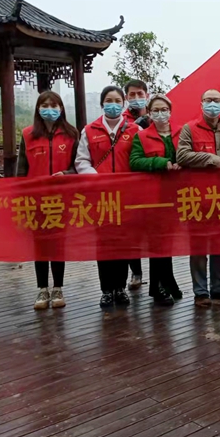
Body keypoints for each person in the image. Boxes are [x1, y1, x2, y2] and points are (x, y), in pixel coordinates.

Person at [76, 85, 140, 308]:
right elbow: (81, 161)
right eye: (109, 101)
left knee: (123, 243)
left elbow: (139, 159)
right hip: (100, 197)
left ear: (123, 104)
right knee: (103, 243)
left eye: (117, 101)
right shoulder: (89, 130)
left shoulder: (134, 130)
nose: (113, 104)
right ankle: (106, 290)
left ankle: (120, 288)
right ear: (102, 103)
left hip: (126, 197)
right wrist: (95, 178)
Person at [176, 89, 220, 307]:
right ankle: (200, 292)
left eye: (216, 100)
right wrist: (209, 158)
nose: (212, 104)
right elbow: (181, 155)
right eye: (208, 100)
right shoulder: (190, 128)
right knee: (198, 246)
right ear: (201, 103)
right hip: (196, 196)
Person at [16, 91, 79, 310]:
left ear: (61, 108)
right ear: (38, 109)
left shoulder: (72, 134)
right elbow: (21, 170)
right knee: (40, 245)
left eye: (54, 105)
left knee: (58, 244)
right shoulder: (28, 135)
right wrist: (20, 197)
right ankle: (42, 289)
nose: (49, 109)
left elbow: (77, 166)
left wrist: (67, 174)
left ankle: (58, 288)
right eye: (45, 105)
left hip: (61, 200)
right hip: (35, 201)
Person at [130, 93, 183, 306]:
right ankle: (156, 287)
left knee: (168, 241)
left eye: (164, 109)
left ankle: (168, 281)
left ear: (170, 111)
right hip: (153, 196)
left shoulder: (181, 132)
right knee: (157, 242)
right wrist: (160, 163)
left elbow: (190, 153)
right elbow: (135, 161)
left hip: (177, 195)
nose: (161, 114)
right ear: (149, 113)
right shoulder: (142, 136)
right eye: (156, 110)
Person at [122, 79, 151, 286]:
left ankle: (160, 280)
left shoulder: (156, 116)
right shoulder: (121, 121)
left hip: (151, 182)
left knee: (155, 231)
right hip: (128, 185)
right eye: (132, 95)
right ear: (126, 98)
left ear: (147, 95)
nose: (136, 98)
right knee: (130, 232)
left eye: (140, 94)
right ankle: (136, 273)